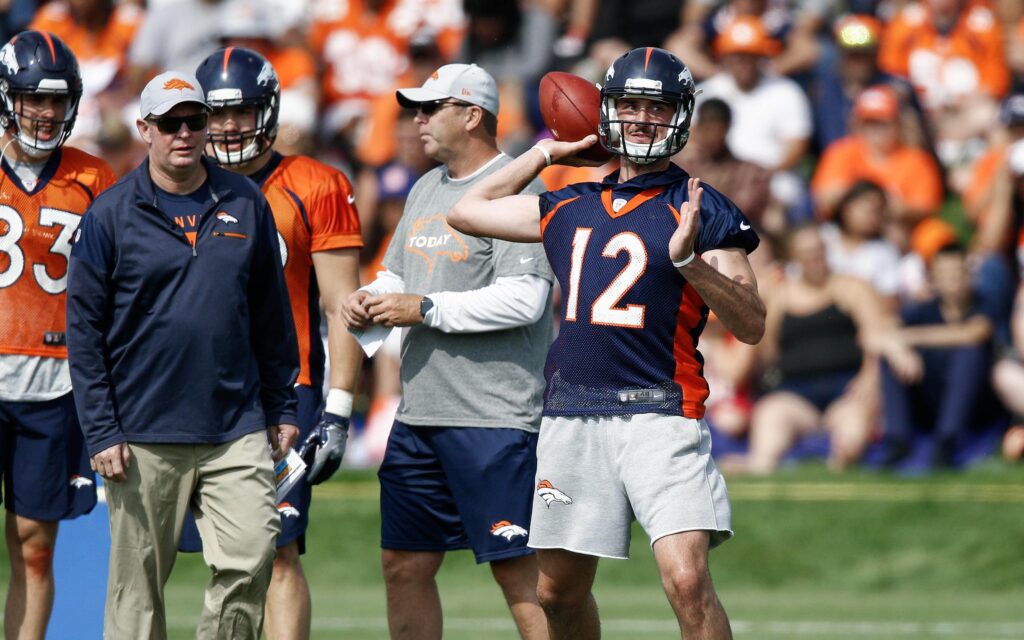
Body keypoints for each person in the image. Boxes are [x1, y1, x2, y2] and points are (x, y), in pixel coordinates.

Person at [449, 47, 765, 640]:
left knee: (687, 580)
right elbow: (467, 211)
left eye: (657, 106)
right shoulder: (569, 202)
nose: (643, 118)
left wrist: (693, 262)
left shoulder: (701, 205)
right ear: (607, 111)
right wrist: (548, 150)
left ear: (681, 116)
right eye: (630, 105)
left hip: (661, 412)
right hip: (574, 412)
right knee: (556, 594)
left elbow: (750, 323)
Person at [66, 70, 300, 640]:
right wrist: (101, 432)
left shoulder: (245, 200)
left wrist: (283, 406)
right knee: (136, 589)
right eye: (170, 123)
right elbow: (85, 332)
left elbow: (271, 315)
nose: (185, 132)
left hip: (235, 424)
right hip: (141, 429)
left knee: (252, 555)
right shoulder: (110, 214)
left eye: (195, 120)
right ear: (145, 129)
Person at [342, 62, 554, 640]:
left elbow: (526, 300)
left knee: (520, 576)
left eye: (430, 108)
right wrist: (371, 298)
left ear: (471, 114)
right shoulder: (424, 187)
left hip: (494, 417)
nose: (417, 120)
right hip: (419, 415)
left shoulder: (521, 185)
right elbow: (400, 276)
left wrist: (424, 308)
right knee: (403, 566)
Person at [180, 46, 363, 640]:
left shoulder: (316, 183)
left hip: (282, 393)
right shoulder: (173, 185)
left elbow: (343, 306)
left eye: (244, 111)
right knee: (180, 555)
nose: (230, 126)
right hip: (185, 392)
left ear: (270, 110)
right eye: (219, 113)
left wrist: (337, 409)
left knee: (278, 551)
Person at [0, 30, 112, 640]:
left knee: (35, 545)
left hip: (54, 382)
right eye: (31, 99)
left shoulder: (95, 177)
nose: (44, 113)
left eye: (56, 99)